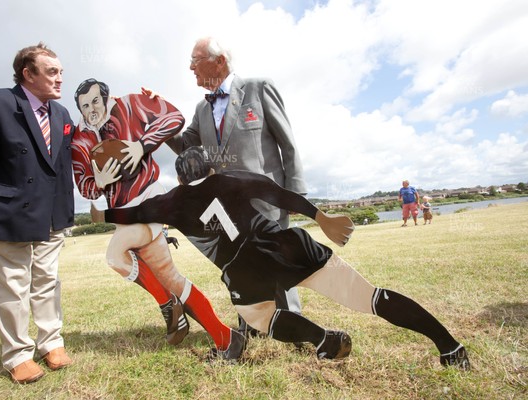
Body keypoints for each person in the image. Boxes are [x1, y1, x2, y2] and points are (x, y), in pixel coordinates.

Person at [103, 147, 471, 369]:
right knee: (368, 297)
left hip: (242, 271)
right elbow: (277, 193)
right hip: (283, 244)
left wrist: (99, 213)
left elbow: (127, 214)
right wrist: (320, 217)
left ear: (182, 179)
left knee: (257, 317)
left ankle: (321, 338)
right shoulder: (230, 177)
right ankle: (449, 346)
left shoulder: (171, 202)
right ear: (211, 169)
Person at [71, 79, 245, 359]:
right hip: (124, 214)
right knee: (172, 278)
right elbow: (83, 184)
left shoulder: (129, 104)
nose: (91, 108)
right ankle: (226, 338)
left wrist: (142, 145)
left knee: (115, 255)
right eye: (84, 105)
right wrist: (99, 182)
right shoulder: (79, 139)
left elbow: (174, 117)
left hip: (150, 201)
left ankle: (167, 305)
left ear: (105, 97)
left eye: (94, 101)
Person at [166, 36, 306, 334]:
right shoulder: (202, 110)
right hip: (227, 204)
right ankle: (253, 322)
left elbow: (287, 142)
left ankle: (292, 323)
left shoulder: (259, 88)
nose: (190, 68)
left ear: (219, 61)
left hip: (267, 196)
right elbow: (185, 145)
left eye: (195, 60)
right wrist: (158, 121)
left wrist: (294, 192)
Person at [0, 43, 74, 384]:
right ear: (28, 74)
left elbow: (63, 167)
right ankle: (18, 355)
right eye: (52, 72)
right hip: (7, 214)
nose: (60, 78)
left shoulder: (62, 115)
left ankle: (52, 343)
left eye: (61, 72)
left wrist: (66, 213)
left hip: (52, 216)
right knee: (13, 287)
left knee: (48, 282)